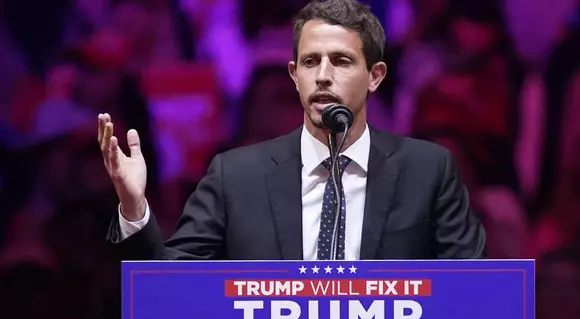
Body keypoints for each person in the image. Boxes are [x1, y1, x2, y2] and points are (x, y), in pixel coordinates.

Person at [98, 0, 486, 261]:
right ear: (294, 75)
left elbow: (472, 296)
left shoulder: (428, 171)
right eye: (310, 62)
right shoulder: (234, 176)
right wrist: (134, 208)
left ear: (375, 76)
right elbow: (172, 292)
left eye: (342, 62)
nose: (323, 77)